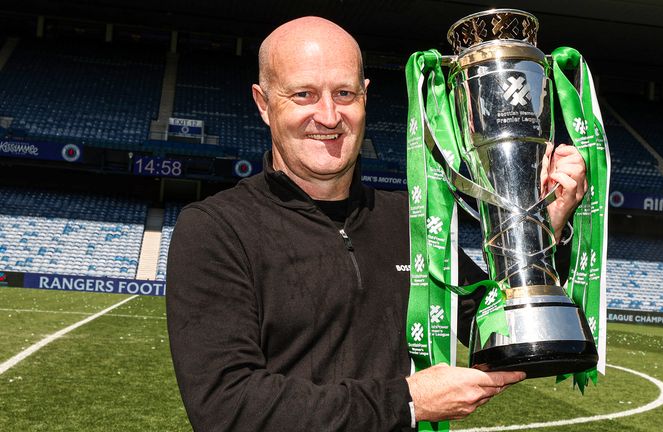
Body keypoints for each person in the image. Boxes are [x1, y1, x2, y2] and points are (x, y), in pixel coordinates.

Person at [166, 16, 587, 432]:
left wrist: (535, 229)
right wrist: (406, 402)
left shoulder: (410, 221)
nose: (329, 116)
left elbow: (499, 334)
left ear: (366, 96)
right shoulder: (215, 229)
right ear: (263, 103)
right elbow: (226, 408)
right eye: (304, 95)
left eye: (344, 93)